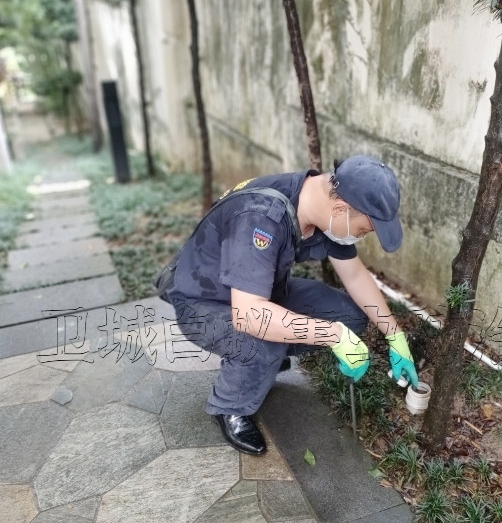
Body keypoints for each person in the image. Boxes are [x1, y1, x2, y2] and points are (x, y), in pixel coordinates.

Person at [163, 155, 419, 455]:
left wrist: (394, 335)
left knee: (347, 315)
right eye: (364, 230)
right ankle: (229, 405)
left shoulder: (318, 203)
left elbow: (355, 275)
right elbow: (249, 315)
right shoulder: (262, 217)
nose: (360, 237)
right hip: (205, 304)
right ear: (340, 209)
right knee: (265, 339)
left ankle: (263, 363)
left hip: (259, 293)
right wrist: (331, 335)